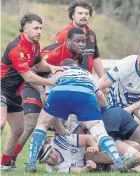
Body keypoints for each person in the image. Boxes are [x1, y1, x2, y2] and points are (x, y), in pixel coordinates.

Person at [25, 59, 137, 173]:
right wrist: (102, 109)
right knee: (99, 132)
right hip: (84, 94)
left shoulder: (57, 72)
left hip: (60, 92)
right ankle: (117, 161)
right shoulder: (86, 73)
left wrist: (61, 128)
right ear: (76, 66)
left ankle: (31, 163)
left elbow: (50, 102)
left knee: (41, 125)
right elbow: (101, 97)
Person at [11, 27, 86, 166]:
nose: (82, 45)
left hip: (52, 89)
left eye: (84, 41)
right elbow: (29, 72)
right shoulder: (53, 53)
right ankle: (11, 159)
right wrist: (41, 90)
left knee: (56, 124)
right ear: (68, 41)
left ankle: (43, 158)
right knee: (31, 124)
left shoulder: (78, 55)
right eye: (78, 41)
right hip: (33, 86)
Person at [0, 13, 62, 171]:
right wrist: (50, 82)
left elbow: (39, 63)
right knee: (0, 123)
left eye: (41, 28)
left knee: (18, 130)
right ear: (25, 29)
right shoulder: (16, 48)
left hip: (14, 94)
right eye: (36, 28)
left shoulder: (35, 45)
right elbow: (28, 76)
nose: (39, 31)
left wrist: (51, 67)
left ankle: (5, 165)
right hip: (1, 88)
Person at [98, 43, 140, 139]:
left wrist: (131, 108)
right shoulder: (125, 65)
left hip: (139, 102)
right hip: (119, 100)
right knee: (118, 136)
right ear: (138, 57)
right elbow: (103, 81)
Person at [54, 0, 104, 77]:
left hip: (87, 81)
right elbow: (54, 60)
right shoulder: (64, 34)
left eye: (86, 13)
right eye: (80, 13)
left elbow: (95, 57)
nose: (84, 16)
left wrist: (102, 78)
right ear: (72, 15)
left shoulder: (91, 34)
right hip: (69, 81)